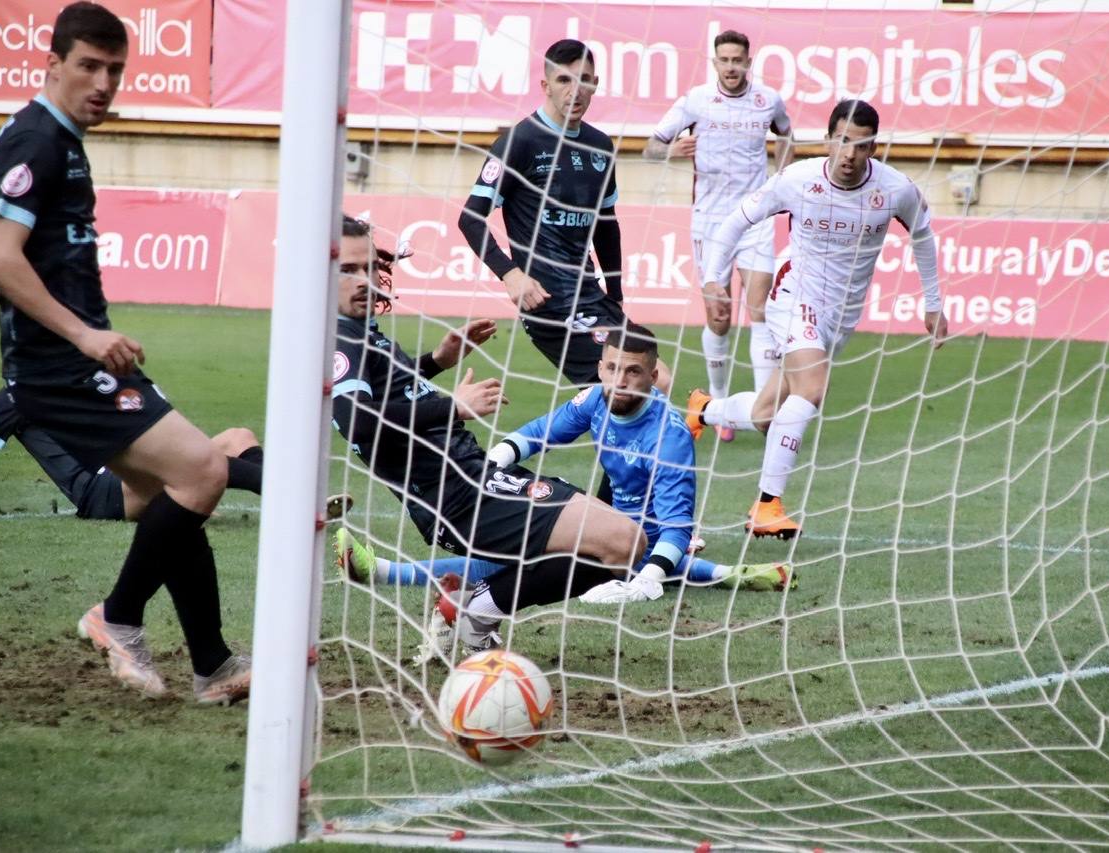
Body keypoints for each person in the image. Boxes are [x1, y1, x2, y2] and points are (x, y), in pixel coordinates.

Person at [0, 3, 248, 704]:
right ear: (52, 65)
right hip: (62, 370)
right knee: (203, 466)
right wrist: (85, 335)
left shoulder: (61, 140)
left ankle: (213, 664)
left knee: (180, 484)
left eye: (115, 69)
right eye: (88, 66)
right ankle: (120, 617)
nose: (104, 82)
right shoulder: (36, 142)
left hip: (80, 365)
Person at [331, 215, 650, 654]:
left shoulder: (359, 333)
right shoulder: (338, 340)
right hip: (458, 498)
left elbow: (387, 391)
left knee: (619, 539)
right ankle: (477, 609)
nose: (365, 279)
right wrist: (453, 405)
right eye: (347, 269)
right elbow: (356, 421)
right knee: (622, 543)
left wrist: (435, 362)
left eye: (369, 266)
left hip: (473, 478)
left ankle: (469, 600)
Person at [334, 323, 793, 603]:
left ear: (654, 378)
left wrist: (651, 578)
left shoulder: (670, 436)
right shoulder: (594, 400)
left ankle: (429, 590)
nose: (620, 381)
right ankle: (727, 574)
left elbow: (675, 527)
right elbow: (537, 433)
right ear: (600, 368)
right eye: (612, 369)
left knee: (605, 553)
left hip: (650, 536)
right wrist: (492, 463)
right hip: (610, 515)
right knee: (529, 550)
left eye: (633, 372)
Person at [687, 99, 948, 539]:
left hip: (841, 316)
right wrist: (714, 280)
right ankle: (767, 505)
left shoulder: (895, 189)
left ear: (873, 147)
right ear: (829, 138)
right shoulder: (798, 179)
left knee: (770, 414)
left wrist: (934, 301)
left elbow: (922, 234)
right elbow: (735, 221)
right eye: (842, 140)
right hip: (794, 297)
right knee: (812, 388)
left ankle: (705, 410)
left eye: (861, 145)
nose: (849, 154)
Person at [457, 38, 671, 396]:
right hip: (547, 301)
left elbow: (606, 226)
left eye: (584, 80)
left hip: (590, 294)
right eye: (564, 80)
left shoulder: (599, 146)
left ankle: (532, 444)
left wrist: (615, 293)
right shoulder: (520, 142)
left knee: (647, 380)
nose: (576, 90)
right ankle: (523, 445)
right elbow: (470, 217)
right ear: (545, 86)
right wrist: (511, 275)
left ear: (596, 84)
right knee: (637, 385)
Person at [644, 30, 793, 440]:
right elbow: (650, 146)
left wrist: (781, 180)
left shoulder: (768, 100)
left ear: (749, 61)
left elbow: (786, 135)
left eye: (737, 60)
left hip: (755, 218)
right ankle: (718, 402)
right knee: (720, 317)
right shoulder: (696, 100)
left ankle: (766, 412)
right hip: (709, 221)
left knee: (759, 308)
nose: (731, 67)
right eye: (724, 60)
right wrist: (671, 151)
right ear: (715, 63)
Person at [0, 386, 263, 520]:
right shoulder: (16, 394)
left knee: (239, 438)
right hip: (100, 490)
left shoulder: (80, 377)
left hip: (131, 468)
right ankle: (292, 498)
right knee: (196, 464)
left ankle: (281, 498)